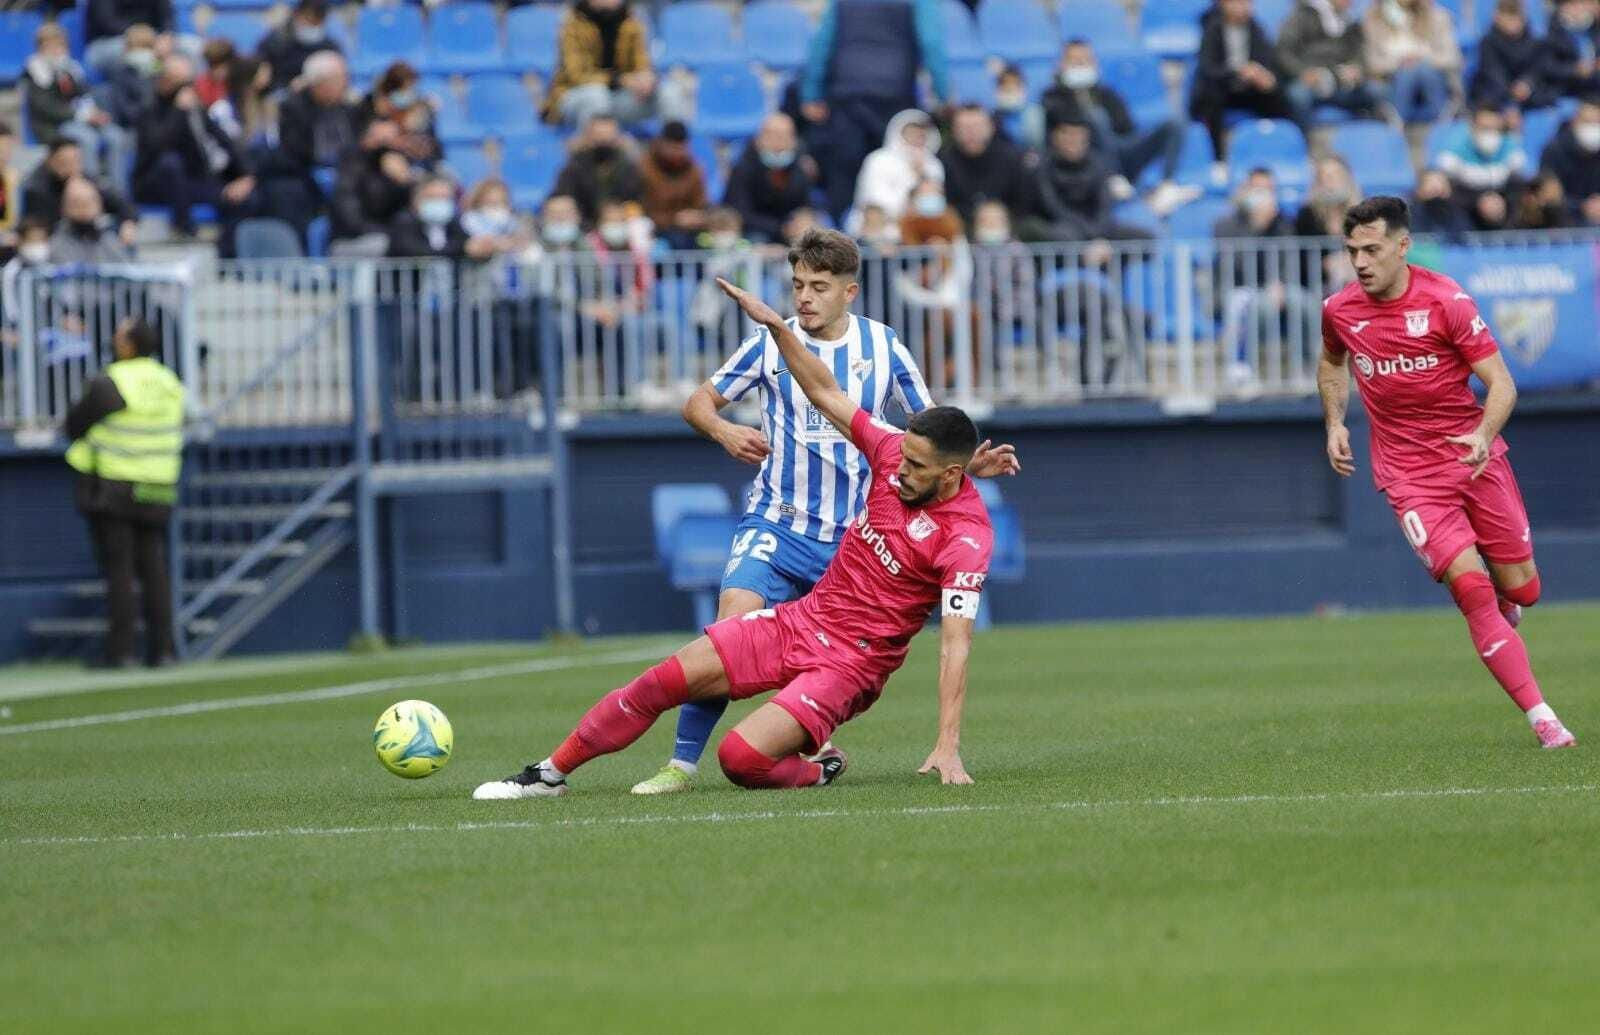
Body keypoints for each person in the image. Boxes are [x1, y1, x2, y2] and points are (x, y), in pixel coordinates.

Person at [475, 263, 1002, 800]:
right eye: (903, 457)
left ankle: (817, 768)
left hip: (853, 660)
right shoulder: (892, 454)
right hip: (802, 617)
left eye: (916, 467)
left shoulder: (966, 537)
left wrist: (947, 742)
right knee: (659, 681)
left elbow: (955, 645)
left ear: (951, 475)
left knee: (741, 758)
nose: (898, 470)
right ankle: (549, 774)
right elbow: (823, 390)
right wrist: (776, 326)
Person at [626, 228, 1017, 794]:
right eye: (797, 285)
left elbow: (931, 430)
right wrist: (722, 430)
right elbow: (698, 401)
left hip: (850, 541)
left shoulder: (885, 348)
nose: (804, 297)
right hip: (776, 520)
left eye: (818, 286)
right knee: (731, 625)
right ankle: (681, 765)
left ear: (849, 291)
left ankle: (803, 739)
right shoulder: (768, 342)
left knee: (816, 660)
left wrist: (968, 467)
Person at [1318, 195, 1575, 750]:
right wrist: (1335, 421)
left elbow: (1503, 383)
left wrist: (1482, 436)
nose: (1361, 263)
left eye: (1372, 250)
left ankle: (1511, 604)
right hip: (1408, 476)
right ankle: (1544, 719)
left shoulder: (1447, 301)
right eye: (1352, 251)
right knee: (1472, 591)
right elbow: (1332, 360)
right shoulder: (1340, 309)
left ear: (1403, 246)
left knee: (1523, 590)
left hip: (1473, 458)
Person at [62, 316, 185, 668]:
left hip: (116, 485)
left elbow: (74, 424)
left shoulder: (112, 382)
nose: (113, 339)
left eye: (118, 334)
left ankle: (122, 651)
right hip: (158, 483)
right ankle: (163, 651)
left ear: (129, 344)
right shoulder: (169, 381)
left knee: (120, 569)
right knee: (154, 567)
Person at [801, 0, 950, 219]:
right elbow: (932, 43)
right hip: (895, 97)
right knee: (896, 171)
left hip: (847, 98)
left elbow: (821, 45)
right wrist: (943, 93)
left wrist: (812, 93)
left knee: (844, 176)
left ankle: (840, 244)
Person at [1041, 39, 1193, 212]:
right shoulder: (1052, 97)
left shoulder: (1107, 93)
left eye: (1085, 60)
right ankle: (1113, 177)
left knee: (1173, 124)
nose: (1081, 65)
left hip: (1122, 150)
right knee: (1097, 117)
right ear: (1062, 63)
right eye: (1075, 60)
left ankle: (1167, 186)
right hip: (1090, 157)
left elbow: (1127, 127)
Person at [131, 55, 259, 252]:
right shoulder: (149, 108)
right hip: (154, 182)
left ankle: (227, 255)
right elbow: (156, 147)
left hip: (192, 182)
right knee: (170, 163)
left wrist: (246, 175)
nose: (187, 88)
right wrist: (178, 111)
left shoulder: (195, 108)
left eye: (189, 82)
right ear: (164, 81)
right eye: (181, 83)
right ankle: (183, 227)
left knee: (244, 198)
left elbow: (224, 140)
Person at [1214, 167, 1319, 387]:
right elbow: (1235, 266)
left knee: (1306, 303)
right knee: (1248, 305)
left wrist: (1279, 282)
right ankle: (1242, 369)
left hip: (1278, 287)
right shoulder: (1226, 224)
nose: (1263, 195)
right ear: (1245, 191)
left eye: (1268, 190)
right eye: (1257, 189)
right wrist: (1256, 227)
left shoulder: (1283, 223)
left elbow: (1290, 260)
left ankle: (1309, 368)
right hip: (1241, 288)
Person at [1189, 0, 1305, 180]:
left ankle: (1288, 148)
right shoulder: (1212, 29)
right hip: (1222, 87)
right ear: (1224, 5)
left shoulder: (1256, 29)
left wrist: (1265, 77)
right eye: (1238, 3)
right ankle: (1217, 159)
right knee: (1212, 97)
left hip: (1249, 89)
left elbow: (1268, 61)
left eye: (1247, 3)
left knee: (1278, 93)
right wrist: (1238, 71)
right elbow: (1208, 69)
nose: (1243, 7)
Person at [25, 23, 134, 193]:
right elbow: (46, 108)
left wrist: (94, 113)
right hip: (55, 126)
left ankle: (119, 194)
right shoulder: (34, 72)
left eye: (59, 44)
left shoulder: (71, 68)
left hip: (83, 119)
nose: (56, 50)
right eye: (50, 45)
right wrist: (81, 116)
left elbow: (85, 94)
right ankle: (92, 193)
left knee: (116, 137)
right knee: (87, 140)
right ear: (40, 47)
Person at [543, 0, 686, 127]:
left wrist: (646, 79)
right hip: (574, 97)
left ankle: (672, 150)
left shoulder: (632, 22)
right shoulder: (571, 25)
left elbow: (642, 64)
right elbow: (576, 76)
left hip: (618, 98)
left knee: (670, 92)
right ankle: (593, 152)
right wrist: (620, 81)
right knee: (596, 95)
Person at [1276, 0, 1391, 123]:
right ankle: (1303, 138)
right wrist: (1303, 72)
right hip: (1311, 82)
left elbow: (1359, 54)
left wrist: (1356, 69)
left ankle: (1369, 136)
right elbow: (1284, 52)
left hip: (1341, 83)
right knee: (1298, 95)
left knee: (1378, 91)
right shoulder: (1302, 16)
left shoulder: (1350, 22)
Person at [1362, 0, 1463, 128]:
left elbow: (1452, 57)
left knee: (1420, 69)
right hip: (1391, 78)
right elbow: (1372, 63)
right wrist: (1400, 62)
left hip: (1431, 77)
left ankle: (1399, 123)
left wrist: (1422, 58)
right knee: (1407, 72)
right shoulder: (1374, 17)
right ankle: (1438, 125)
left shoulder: (1437, 16)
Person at [723, 114, 819, 243]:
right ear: (759, 139)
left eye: (785, 136)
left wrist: (804, 220)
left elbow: (806, 206)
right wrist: (780, 228)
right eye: (772, 135)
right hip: (754, 234)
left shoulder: (801, 168)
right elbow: (739, 213)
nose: (778, 142)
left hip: (790, 232)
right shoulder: (742, 169)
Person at [22, 140, 138, 242]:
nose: (72, 167)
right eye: (65, 162)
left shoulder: (84, 178)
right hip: (56, 241)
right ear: (51, 161)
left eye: (76, 161)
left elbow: (121, 202)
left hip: (89, 236)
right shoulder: (36, 189)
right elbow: (41, 228)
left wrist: (128, 223)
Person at [1435, 104, 1528, 230]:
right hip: (1466, 205)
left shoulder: (1509, 144)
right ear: (1473, 127)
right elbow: (1445, 166)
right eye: (1484, 128)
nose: (1489, 133)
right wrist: (1480, 201)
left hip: (1502, 204)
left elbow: (1519, 167)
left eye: (1494, 129)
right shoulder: (1458, 144)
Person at [938, 105, 1032, 227]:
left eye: (977, 127)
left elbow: (1023, 202)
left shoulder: (1012, 158)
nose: (971, 133)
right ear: (954, 130)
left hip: (1007, 225)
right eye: (964, 128)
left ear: (991, 127)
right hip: (960, 226)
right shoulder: (942, 161)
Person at [849, 109, 943, 231]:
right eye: (911, 133)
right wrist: (908, 207)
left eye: (921, 134)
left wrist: (921, 175)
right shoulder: (878, 160)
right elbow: (874, 199)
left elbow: (935, 205)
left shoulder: (933, 164)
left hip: (921, 228)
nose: (916, 138)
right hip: (881, 227)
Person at [330, 121, 414, 252]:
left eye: (391, 141)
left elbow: (411, 215)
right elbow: (351, 220)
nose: (386, 149)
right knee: (386, 244)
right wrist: (390, 233)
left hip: (391, 236)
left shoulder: (403, 170)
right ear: (366, 140)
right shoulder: (351, 169)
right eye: (381, 141)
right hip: (352, 241)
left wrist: (403, 184)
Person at [552, 114, 644, 224]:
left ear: (617, 138)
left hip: (620, 225)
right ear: (587, 138)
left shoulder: (629, 169)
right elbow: (564, 198)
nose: (603, 141)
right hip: (584, 226)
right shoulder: (573, 169)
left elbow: (636, 200)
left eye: (608, 136)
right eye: (598, 136)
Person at [1470, 0, 1557, 114]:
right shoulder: (1488, 43)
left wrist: (1527, 83)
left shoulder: (1535, 42)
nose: (1512, 24)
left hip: (1528, 93)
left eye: (1516, 18)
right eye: (1508, 18)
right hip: (1498, 93)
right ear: (1497, 18)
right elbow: (1493, 73)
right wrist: (1511, 95)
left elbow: (1537, 68)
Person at [385, 176, 496, 260]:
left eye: (445, 198)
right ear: (417, 200)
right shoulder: (403, 222)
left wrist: (484, 247)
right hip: (406, 288)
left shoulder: (453, 222)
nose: (439, 202)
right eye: (433, 197)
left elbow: (467, 242)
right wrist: (463, 249)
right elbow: (416, 252)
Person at [638, 120, 708, 248]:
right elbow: (641, 210)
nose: (678, 153)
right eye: (673, 148)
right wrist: (674, 219)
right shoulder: (644, 169)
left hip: (689, 229)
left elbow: (701, 204)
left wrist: (697, 217)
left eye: (682, 148)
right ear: (662, 144)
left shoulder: (695, 170)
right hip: (656, 229)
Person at [256, 0, 342, 95]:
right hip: (281, 96)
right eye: (309, 19)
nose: (313, 26)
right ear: (297, 14)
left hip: (318, 98)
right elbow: (261, 71)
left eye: (318, 21)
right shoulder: (276, 42)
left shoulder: (330, 47)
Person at [1539, 94, 1600, 226]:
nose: (1593, 128)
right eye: (1588, 122)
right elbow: (1549, 193)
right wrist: (1582, 206)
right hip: (1566, 222)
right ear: (1575, 121)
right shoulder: (1554, 150)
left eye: (1597, 123)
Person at [48, 177, 136, 264]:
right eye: (76, 203)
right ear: (64, 208)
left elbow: (126, 269)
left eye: (89, 203)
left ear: (100, 206)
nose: (83, 209)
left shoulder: (109, 240)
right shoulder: (55, 245)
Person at [85, 0, 179, 78]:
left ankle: (177, 94)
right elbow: (107, 22)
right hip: (108, 41)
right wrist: (141, 37)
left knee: (190, 47)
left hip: (151, 39)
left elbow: (167, 17)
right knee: (138, 56)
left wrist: (166, 37)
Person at [1543, 0, 1600, 101]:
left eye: (1580, 3)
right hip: (1565, 93)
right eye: (1572, 4)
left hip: (1593, 88)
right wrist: (1574, 70)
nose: (1578, 8)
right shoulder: (1552, 33)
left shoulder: (1593, 28)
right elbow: (1547, 67)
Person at [1409, 168, 1473, 238]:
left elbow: (1466, 238)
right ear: (1419, 189)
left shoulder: (1458, 213)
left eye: (1441, 183)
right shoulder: (1410, 215)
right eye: (1431, 184)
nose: (1438, 188)